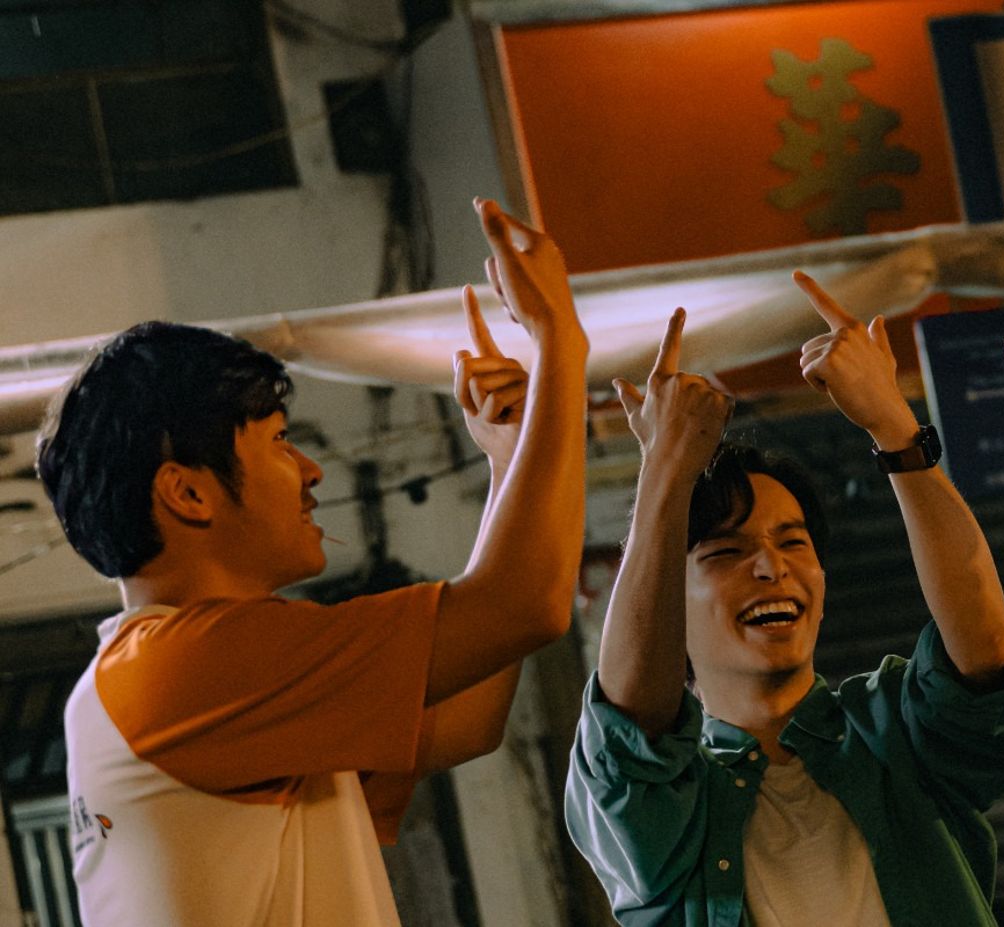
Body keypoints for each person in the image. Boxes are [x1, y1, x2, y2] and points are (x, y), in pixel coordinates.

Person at [37, 199, 590, 927]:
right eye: (277, 441)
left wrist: (512, 461)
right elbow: (523, 606)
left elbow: (466, 714)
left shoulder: (169, 682)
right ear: (189, 492)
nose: (310, 469)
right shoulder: (183, 668)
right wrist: (560, 346)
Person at [565, 284, 1004, 926]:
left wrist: (894, 426)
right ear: (670, 609)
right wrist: (665, 467)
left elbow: (989, 657)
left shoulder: (894, 734)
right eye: (726, 552)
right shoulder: (664, 811)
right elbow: (631, 732)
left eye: (793, 542)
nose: (771, 567)